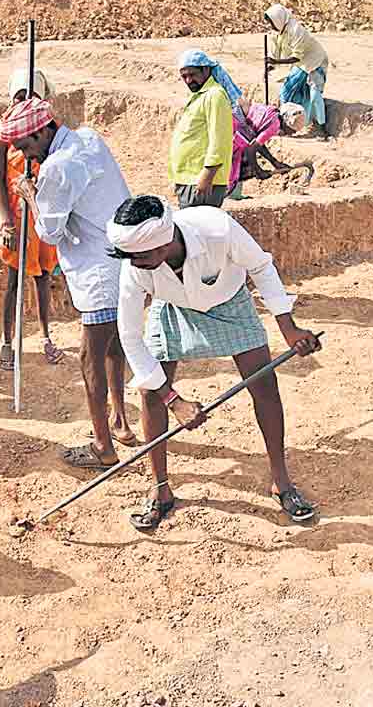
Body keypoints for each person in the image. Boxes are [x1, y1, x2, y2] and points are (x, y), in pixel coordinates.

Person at [107, 196, 322, 529]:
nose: (135, 263)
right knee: (150, 394)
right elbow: (130, 336)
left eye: (142, 256)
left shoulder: (216, 228)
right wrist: (172, 399)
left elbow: (261, 267)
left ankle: (281, 482)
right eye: (130, 257)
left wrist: (288, 328)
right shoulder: (136, 266)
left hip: (231, 302)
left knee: (264, 385)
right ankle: (160, 489)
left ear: (164, 241)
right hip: (173, 307)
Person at [0, 97, 138, 465]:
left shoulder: (57, 168)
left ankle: (103, 448)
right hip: (124, 262)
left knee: (90, 358)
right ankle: (120, 422)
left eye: (27, 146)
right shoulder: (88, 138)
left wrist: (30, 195)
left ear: (43, 132)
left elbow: (49, 232)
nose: (27, 156)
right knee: (115, 347)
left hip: (98, 274)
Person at [0, 69, 65, 369]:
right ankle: (7, 340)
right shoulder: (2, 133)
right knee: (14, 280)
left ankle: (45, 336)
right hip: (16, 213)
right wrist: (5, 221)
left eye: (31, 96)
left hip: (43, 209)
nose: (24, 101)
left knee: (43, 276)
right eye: (19, 96)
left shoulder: (50, 125)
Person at [169, 49, 242, 209]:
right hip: (190, 178)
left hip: (202, 180)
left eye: (192, 74)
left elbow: (220, 140)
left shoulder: (215, 96)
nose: (189, 80)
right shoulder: (201, 95)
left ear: (206, 70)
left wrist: (207, 175)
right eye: (184, 76)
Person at [264, 4, 331, 138]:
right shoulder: (277, 33)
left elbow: (296, 57)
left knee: (315, 95)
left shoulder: (296, 30)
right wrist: (270, 66)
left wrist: (275, 61)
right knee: (286, 91)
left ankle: (322, 128)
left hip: (315, 61)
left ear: (278, 19)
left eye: (272, 23)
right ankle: (285, 124)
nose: (271, 26)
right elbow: (275, 55)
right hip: (301, 64)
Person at [228, 100, 306, 198]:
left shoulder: (272, 114)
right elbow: (250, 149)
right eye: (292, 130)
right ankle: (232, 193)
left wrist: (274, 162)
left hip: (234, 116)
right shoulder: (275, 125)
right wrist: (258, 171)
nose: (293, 133)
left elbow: (257, 143)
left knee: (243, 159)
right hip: (234, 124)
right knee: (243, 161)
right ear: (287, 123)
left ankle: (233, 192)